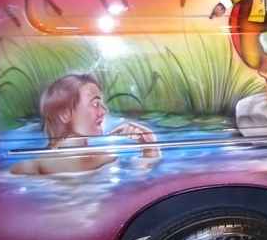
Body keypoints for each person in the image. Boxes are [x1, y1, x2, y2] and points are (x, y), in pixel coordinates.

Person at [11, 74, 159, 175]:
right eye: (95, 104)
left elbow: (144, 186)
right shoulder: (30, 168)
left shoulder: (107, 160)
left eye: (102, 104)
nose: (104, 111)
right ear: (65, 114)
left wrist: (149, 145)